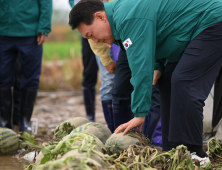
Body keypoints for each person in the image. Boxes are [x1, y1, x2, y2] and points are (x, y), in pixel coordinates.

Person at [69, 0, 222, 157]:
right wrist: (158, 65)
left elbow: (140, 67)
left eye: (91, 34)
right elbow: (158, 34)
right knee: (167, 80)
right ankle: (173, 151)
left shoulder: (127, 17)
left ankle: (195, 154)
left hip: (212, 20)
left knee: (184, 82)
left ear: (100, 16)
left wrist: (140, 114)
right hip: (193, 29)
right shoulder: (120, 19)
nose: (94, 40)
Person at [0, 0, 52, 132]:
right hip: (3, 33)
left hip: (31, 33)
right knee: (3, 76)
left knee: (31, 77)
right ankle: (5, 121)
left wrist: (44, 27)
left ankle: (25, 121)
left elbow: (46, 3)